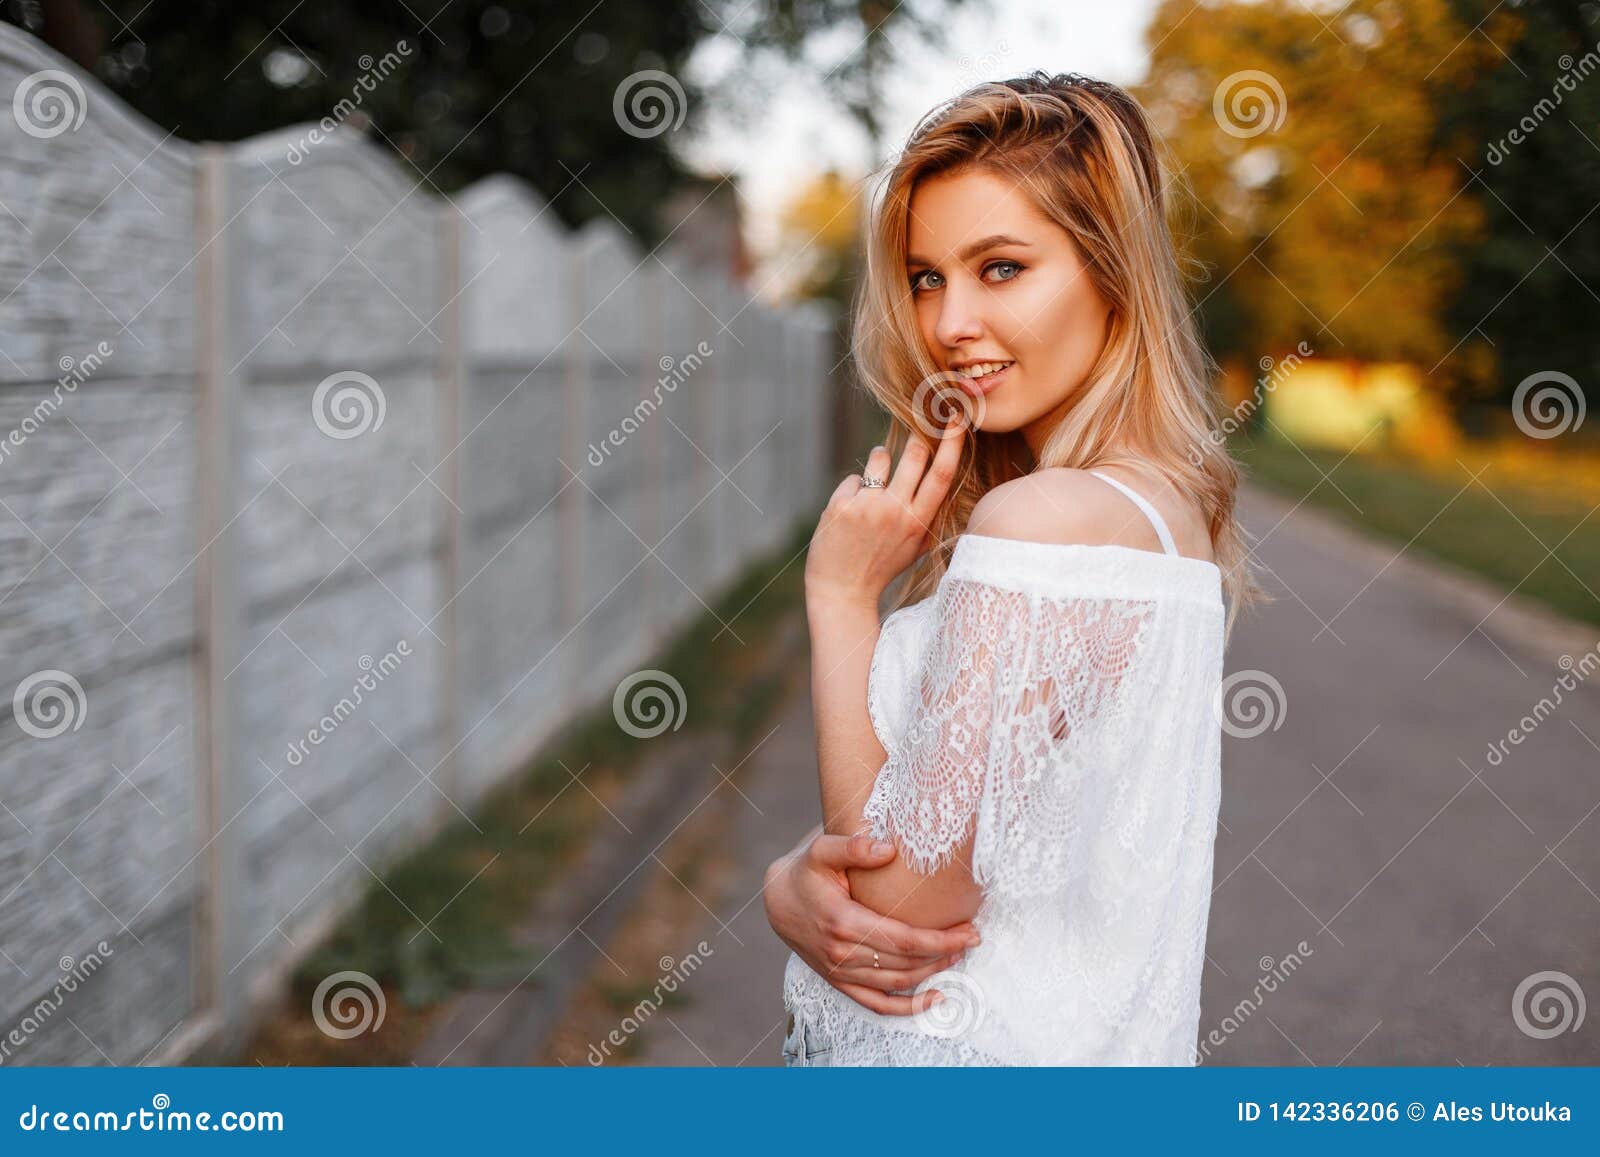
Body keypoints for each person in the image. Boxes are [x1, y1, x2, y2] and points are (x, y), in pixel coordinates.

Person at [765, 71, 1268, 1066]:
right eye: (925, 276)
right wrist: (789, 882)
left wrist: (838, 599)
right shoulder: (1161, 512)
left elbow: (903, 899)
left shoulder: (1040, 523)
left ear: (1110, 271)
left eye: (1000, 268)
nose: (947, 324)